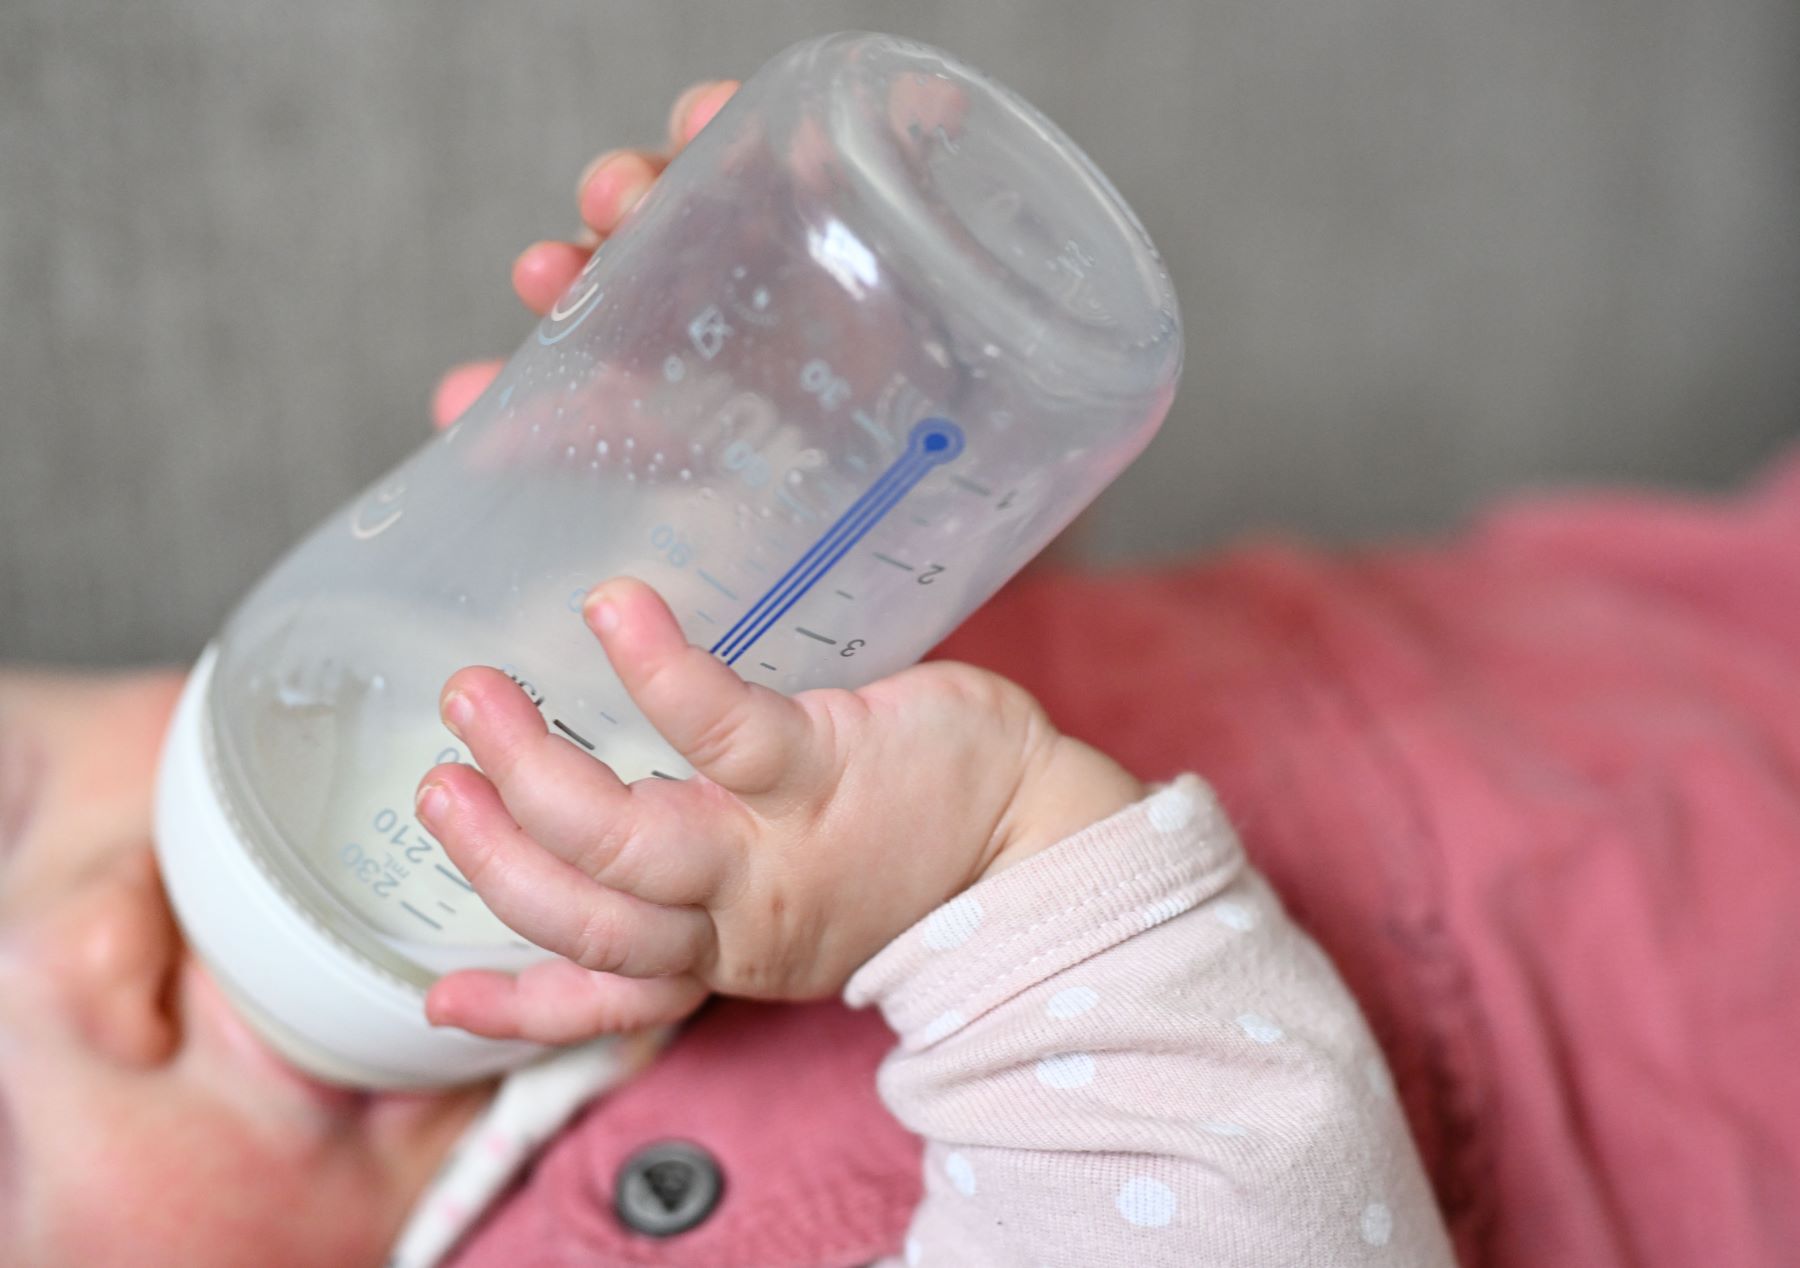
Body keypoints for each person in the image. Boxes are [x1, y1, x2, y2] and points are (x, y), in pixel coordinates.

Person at [1, 79, 1452, 1267]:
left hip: (1514, 606)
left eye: (10, 805)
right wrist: (994, 853)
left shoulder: (519, 645)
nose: (100, 937)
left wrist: (838, 429)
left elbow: (1024, 629)